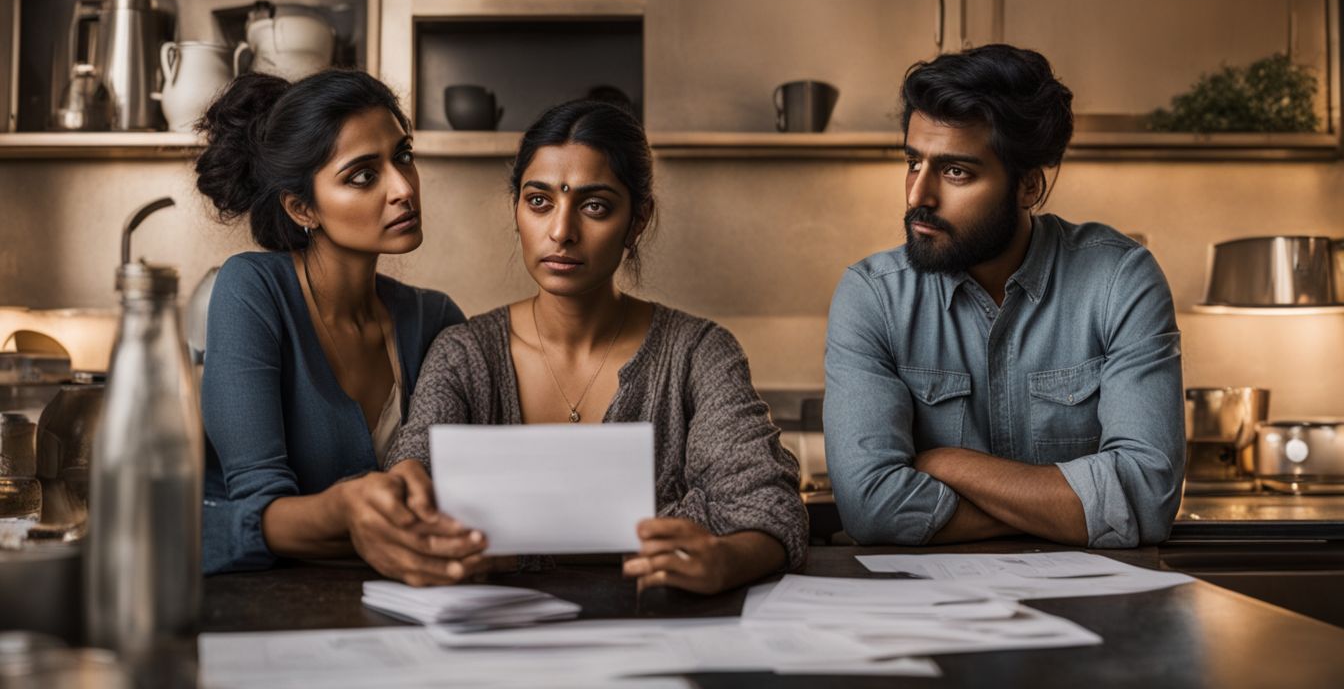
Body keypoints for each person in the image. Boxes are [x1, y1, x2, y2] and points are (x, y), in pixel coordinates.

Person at [381, 99, 808, 593]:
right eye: (539, 201)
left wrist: (725, 561)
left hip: (660, 638)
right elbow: (411, 482)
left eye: (595, 206)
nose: (561, 232)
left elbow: (770, 507)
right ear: (516, 208)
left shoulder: (698, 354)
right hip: (492, 646)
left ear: (638, 220)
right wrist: (411, 504)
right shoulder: (463, 352)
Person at [824, 44, 1184, 549]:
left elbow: (1146, 498)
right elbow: (871, 509)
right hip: (929, 614)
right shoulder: (873, 297)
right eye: (912, 162)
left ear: (1028, 186)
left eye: (955, 172)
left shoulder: (1120, 279)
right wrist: (1074, 511)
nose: (916, 197)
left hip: (1097, 608)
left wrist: (946, 463)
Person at [196, 70, 467, 575]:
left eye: (403, 156)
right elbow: (258, 506)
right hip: (263, 606)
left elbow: (460, 492)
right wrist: (348, 508)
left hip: (408, 604)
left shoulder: (437, 320)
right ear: (303, 208)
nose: (403, 188)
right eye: (363, 176)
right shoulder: (253, 290)